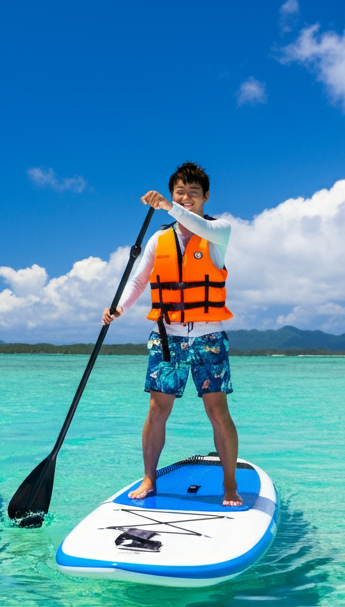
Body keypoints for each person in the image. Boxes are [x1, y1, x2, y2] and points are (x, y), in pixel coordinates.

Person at [103, 162, 241, 506]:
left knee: (217, 410)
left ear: (206, 196)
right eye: (180, 191)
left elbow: (189, 219)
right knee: (156, 409)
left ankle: (229, 485)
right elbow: (138, 280)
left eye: (193, 192)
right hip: (168, 337)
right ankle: (150, 477)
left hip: (208, 338)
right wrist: (118, 307)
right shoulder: (159, 239)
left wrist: (168, 205)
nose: (186, 197)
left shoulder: (218, 231)